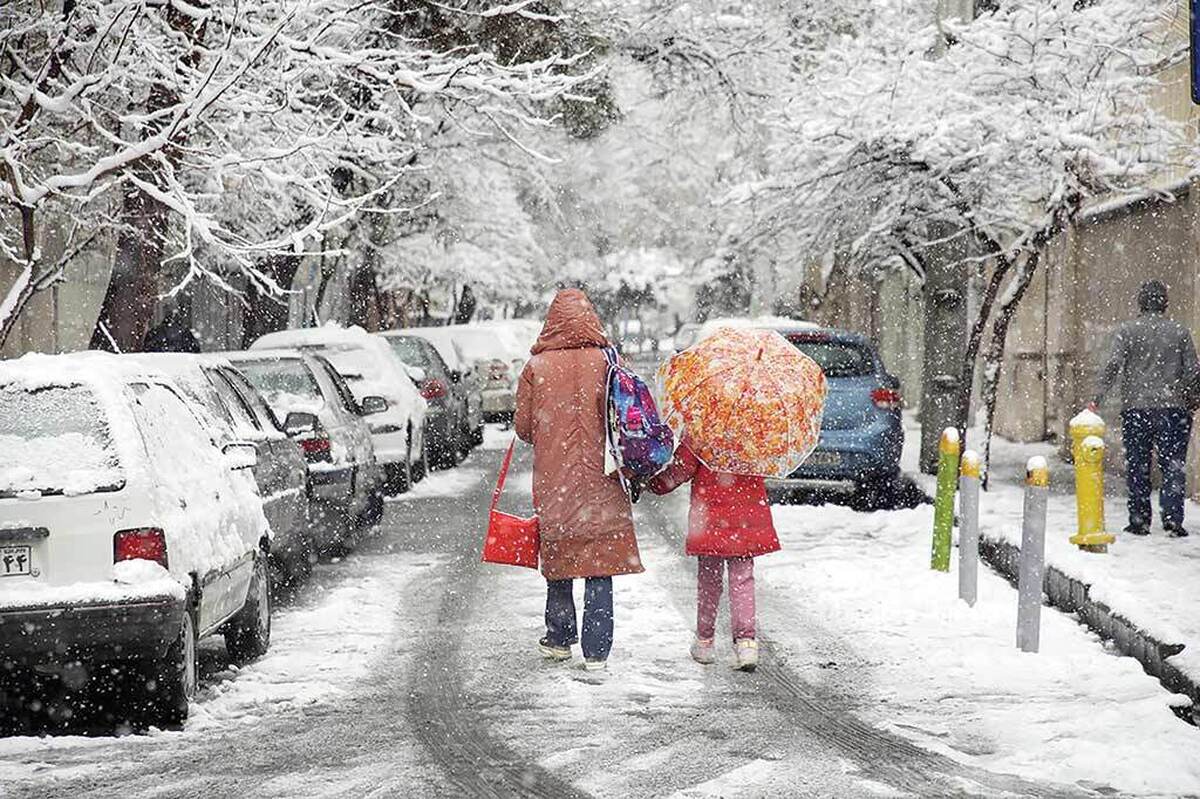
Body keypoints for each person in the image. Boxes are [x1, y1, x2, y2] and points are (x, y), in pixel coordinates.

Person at [514, 288, 643, 671]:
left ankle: (558, 638)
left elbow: (523, 428)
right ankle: (597, 650)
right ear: (591, 318)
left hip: (556, 480)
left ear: (551, 321)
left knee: (560, 554)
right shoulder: (609, 361)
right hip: (605, 476)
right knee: (599, 560)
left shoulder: (536, 368)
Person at [647, 438, 779, 672]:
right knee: (743, 580)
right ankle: (746, 643)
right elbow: (769, 466)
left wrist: (654, 484)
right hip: (746, 515)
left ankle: (705, 641)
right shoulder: (756, 427)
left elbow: (681, 470)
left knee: (709, 581)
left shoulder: (703, 427)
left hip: (710, 516)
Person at [1092, 280, 1200, 537]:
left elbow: (1113, 365)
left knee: (1138, 464)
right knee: (1172, 465)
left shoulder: (1127, 331)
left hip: (1136, 409)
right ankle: (1173, 519)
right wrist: (1191, 399)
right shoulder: (1180, 332)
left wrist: (1098, 397)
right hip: (1173, 409)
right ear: (1164, 303)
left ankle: (1139, 520)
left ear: (1141, 302)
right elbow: (1193, 371)